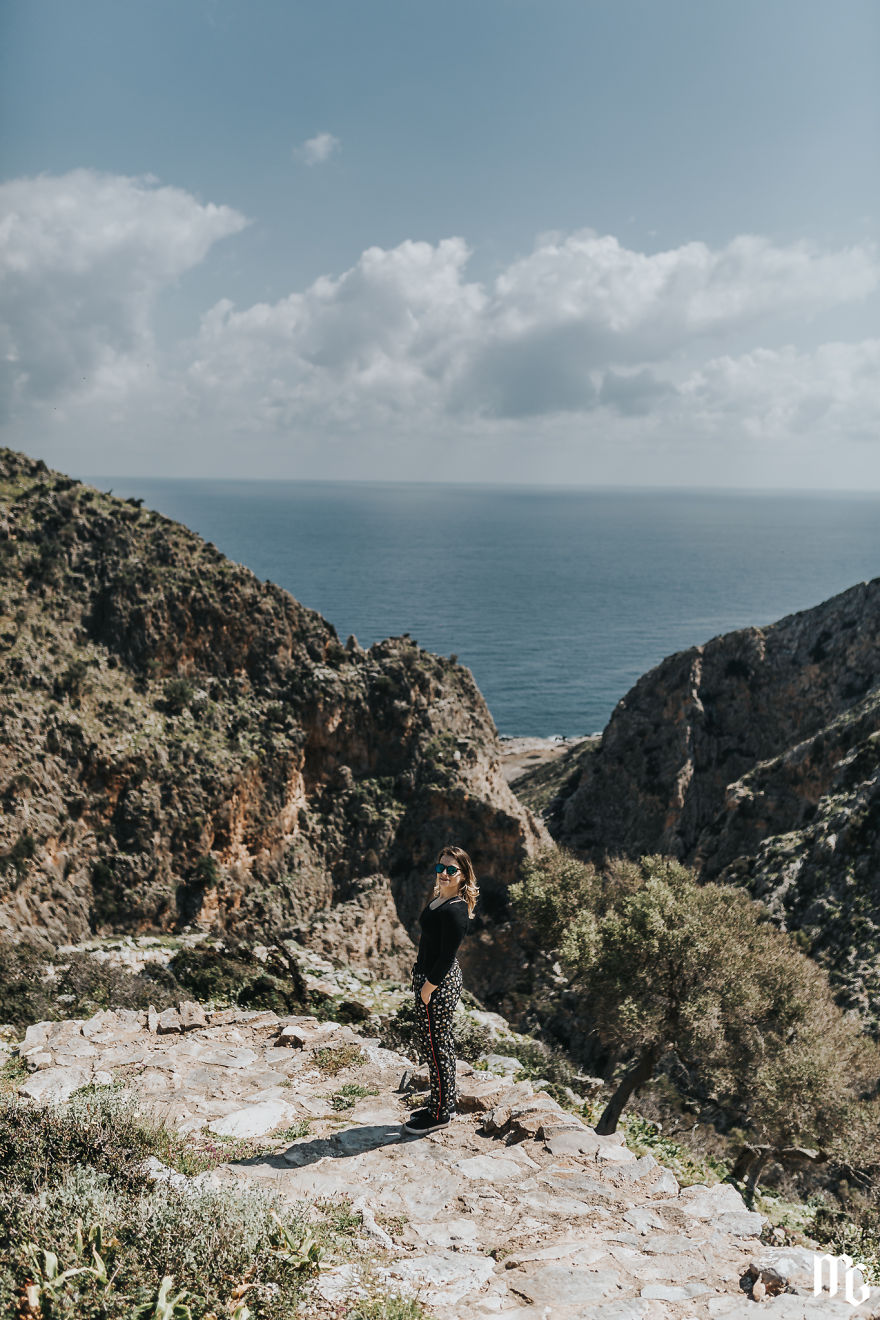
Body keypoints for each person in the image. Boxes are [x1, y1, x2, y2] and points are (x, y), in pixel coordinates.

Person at [404, 844, 479, 1135]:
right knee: (433, 1045)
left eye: (451, 870)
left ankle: (439, 1114)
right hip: (428, 978)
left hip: (438, 983)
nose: (444, 873)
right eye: (440, 868)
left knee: (438, 1048)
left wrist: (428, 988)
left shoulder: (456, 910)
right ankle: (440, 1102)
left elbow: (447, 956)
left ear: (463, 875)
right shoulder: (440, 899)